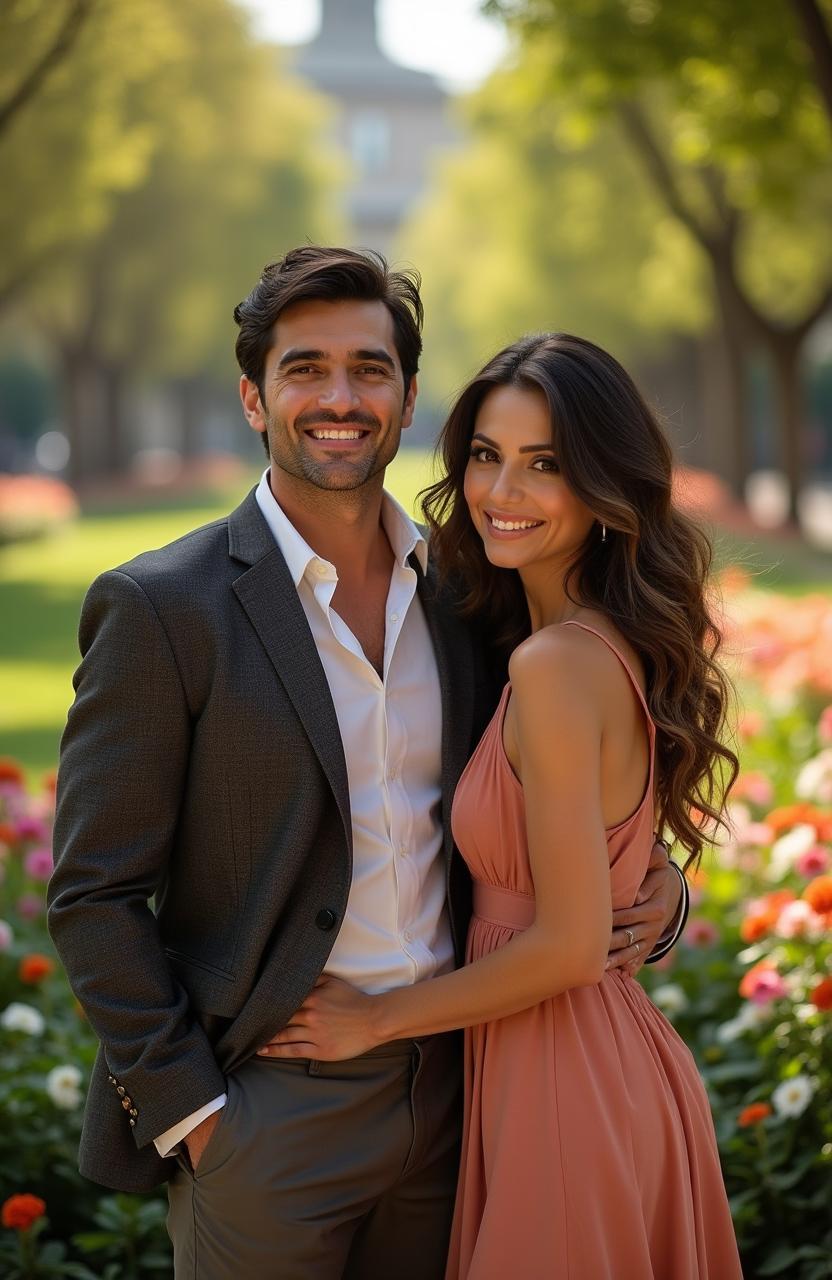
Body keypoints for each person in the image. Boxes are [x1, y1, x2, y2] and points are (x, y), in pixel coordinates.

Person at [47, 252, 687, 1280]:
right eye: (305, 369)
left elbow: (553, 798)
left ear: (407, 395)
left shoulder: (472, 591)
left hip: (466, 1089)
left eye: (368, 368)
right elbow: (92, 892)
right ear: (256, 396)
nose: (340, 398)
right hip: (268, 1111)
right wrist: (198, 1115)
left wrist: (663, 890)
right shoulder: (164, 609)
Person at [261, 332, 742, 1279]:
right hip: (559, 1063)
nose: (501, 494)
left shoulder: (557, 663)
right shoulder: (559, 636)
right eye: (486, 457)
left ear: (606, 490)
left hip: (565, 1077)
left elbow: (567, 944)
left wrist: (375, 1019)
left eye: (544, 466)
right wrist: (661, 888)